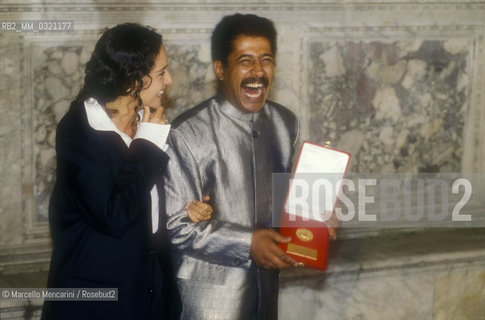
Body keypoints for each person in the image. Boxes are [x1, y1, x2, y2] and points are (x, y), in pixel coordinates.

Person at [41, 23, 212, 320]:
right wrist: (145, 144)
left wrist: (189, 207)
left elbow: (148, 213)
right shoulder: (79, 131)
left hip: (150, 300)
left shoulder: (146, 121)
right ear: (133, 80)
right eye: (161, 73)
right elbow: (115, 215)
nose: (169, 81)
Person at [163, 13, 307, 320]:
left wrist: (316, 218)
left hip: (265, 295)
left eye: (266, 60)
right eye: (245, 60)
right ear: (220, 68)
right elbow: (177, 227)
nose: (258, 71)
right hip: (208, 303)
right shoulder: (186, 133)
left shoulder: (285, 123)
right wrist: (247, 243)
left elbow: (284, 201)